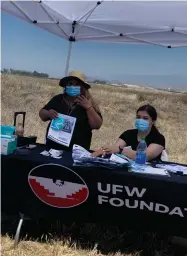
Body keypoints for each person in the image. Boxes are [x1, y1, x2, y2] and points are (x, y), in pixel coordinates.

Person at [39, 70, 103, 151]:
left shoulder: (88, 102)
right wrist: (48, 113)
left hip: (77, 151)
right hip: (53, 148)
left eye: (77, 84)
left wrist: (89, 108)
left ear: (82, 87)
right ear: (66, 86)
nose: (73, 86)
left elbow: (96, 125)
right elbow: (42, 114)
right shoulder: (58, 99)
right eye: (70, 84)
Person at [92, 104, 165, 162]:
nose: (140, 120)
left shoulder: (158, 138)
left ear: (153, 121)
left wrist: (121, 150)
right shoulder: (128, 134)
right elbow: (115, 149)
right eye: (138, 117)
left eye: (145, 118)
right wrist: (104, 150)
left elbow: (144, 157)